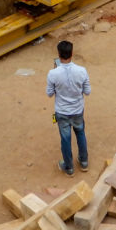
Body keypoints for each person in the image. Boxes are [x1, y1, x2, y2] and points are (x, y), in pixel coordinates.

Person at [46, 39, 90, 177]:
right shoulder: (82, 71)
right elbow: (87, 92)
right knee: (80, 133)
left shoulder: (52, 74)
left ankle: (69, 168)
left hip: (62, 112)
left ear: (59, 55)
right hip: (77, 110)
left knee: (65, 139)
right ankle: (84, 162)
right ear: (72, 53)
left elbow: (49, 94)